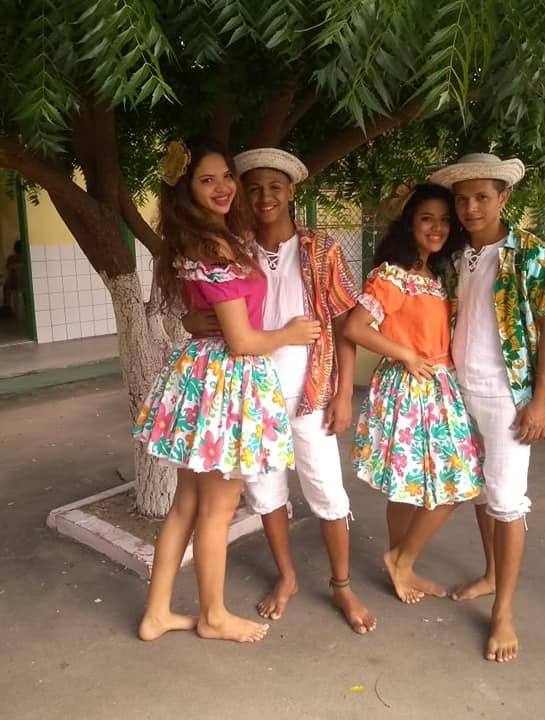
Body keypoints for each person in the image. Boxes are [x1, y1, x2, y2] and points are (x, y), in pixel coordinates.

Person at [133, 138, 321, 644]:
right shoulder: (215, 248)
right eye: (206, 180)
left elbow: (203, 318)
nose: (222, 188)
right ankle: (213, 616)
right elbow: (241, 341)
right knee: (215, 511)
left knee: (186, 506)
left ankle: (157, 613)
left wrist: (200, 324)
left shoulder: (204, 240)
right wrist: (289, 333)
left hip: (203, 377)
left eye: (225, 177)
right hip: (227, 383)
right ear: (186, 190)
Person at [183, 147, 376, 634]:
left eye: (275, 186)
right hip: (250, 396)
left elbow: (344, 325)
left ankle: (342, 585)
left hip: (311, 394)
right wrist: (192, 321)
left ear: (292, 191)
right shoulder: (233, 248)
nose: (264, 196)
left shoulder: (321, 250)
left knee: (327, 491)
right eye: (253, 188)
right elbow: (202, 309)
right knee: (266, 493)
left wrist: (343, 394)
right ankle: (287, 577)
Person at [430, 153, 545, 663]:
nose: (471, 207)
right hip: (456, 389)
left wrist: (542, 401)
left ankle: (504, 611)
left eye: (482, 197)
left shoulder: (531, 253)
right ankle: (491, 574)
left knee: (508, 500)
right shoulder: (452, 254)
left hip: (507, 396)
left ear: (503, 197)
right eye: (462, 199)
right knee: (480, 492)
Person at [344, 183, 484, 604]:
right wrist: (405, 354)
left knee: (428, 483)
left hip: (438, 385)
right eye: (427, 218)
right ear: (409, 224)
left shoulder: (436, 275)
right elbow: (354, 327)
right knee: (457, 481)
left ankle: (401, 563)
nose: (437, 227)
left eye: (444, 220)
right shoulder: (392, 275)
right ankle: (401, 562)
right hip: (411, 385)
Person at [5, 240, 25, 317]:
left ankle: (8, 307)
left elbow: (7, 268)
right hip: (25, 282)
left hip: (14, 283)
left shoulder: (11, 258)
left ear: (14, 249)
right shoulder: (27, 257)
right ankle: (26, 304)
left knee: (5, 287)